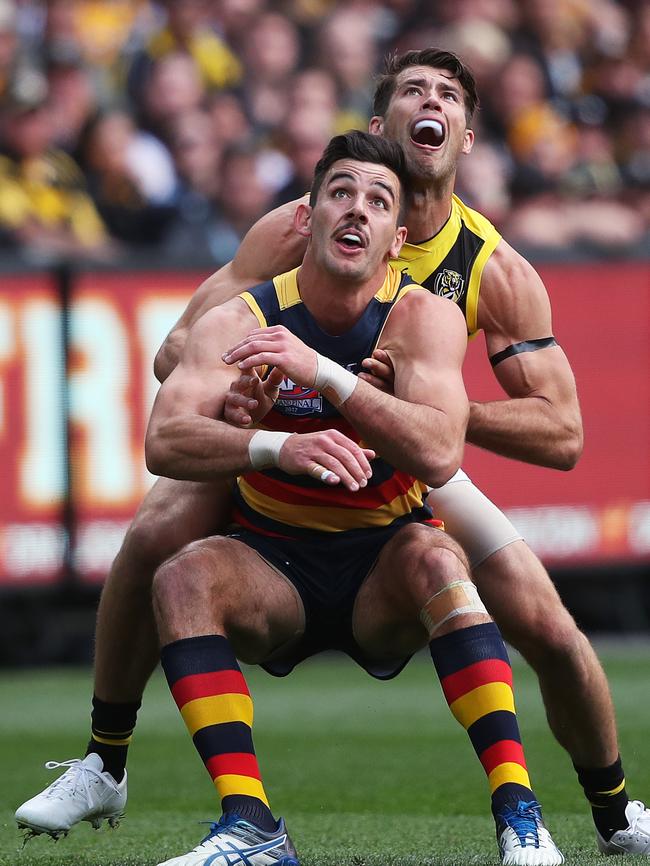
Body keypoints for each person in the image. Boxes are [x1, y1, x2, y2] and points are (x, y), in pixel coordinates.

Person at [15, 49, 650, 858]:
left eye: (449, 94)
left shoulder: (490, 266)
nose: (432, 102)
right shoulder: (296, 226)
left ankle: (615, 813)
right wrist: (244, 403)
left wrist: (427, 408)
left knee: (548, 624)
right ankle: (106, 761)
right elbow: (174, 356)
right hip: (289, 445)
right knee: (154, 534)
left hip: (406, 462)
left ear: (466, 135)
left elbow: (563, 435)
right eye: (414, 90)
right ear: (379, 126)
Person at [148, 130, 562, 866]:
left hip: (383, 561)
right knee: (178, 573)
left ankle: (519, 814)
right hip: (273, 562)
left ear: (396, 239)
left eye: (378, 201)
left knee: (443, 558)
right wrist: (274, 443)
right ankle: (250, 826)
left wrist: (323, 375)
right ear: (308, 216)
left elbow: (441, 451)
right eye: (341, 192)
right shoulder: (240, 318)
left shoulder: (423, 316)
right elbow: (165, 440)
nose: (357, 211)